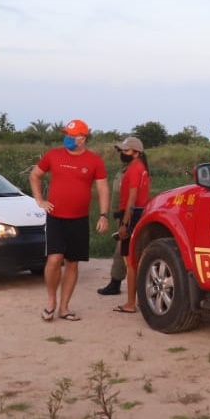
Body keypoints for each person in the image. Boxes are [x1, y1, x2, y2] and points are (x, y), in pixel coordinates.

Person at [30, 119, 110, 321]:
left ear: (83, 138)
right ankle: (51, 301)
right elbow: (35, 175)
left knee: (72, 263)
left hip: (79, 219)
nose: (68, 138)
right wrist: (40, 200)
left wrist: (103, 215)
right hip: (56, 217)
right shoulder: (53, 155)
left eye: (72, 136)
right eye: (66, 134)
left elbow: (102, 188)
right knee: (54, 259)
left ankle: (64, 308)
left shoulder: (94, 161)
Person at [112, 136, 151, 314]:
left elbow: (132, 198)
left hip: (132, 214)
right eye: (122, 150)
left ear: (136, 153)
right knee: (134, 260)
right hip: (138, 213)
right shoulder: (140, 168)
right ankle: (136, 300)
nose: (122, 153)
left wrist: (125, 223)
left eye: (126, 150)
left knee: (130, 262)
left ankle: (130, 303)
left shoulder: (134, 169)